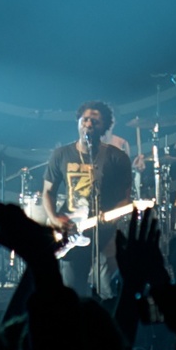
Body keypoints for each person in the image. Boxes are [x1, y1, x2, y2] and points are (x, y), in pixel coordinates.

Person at [41, 101, 135, 297]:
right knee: (72, 294)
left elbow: (125, 199)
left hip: (105, 233)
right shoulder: (61, 155)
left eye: (95, 121)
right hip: (72, 234)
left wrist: (110, 218)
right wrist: (56, 219)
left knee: (109, 290)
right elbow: (47, 192)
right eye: (85, 119)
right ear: (78, 122)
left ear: (105, 127)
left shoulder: (117, 157)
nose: (89, 124)